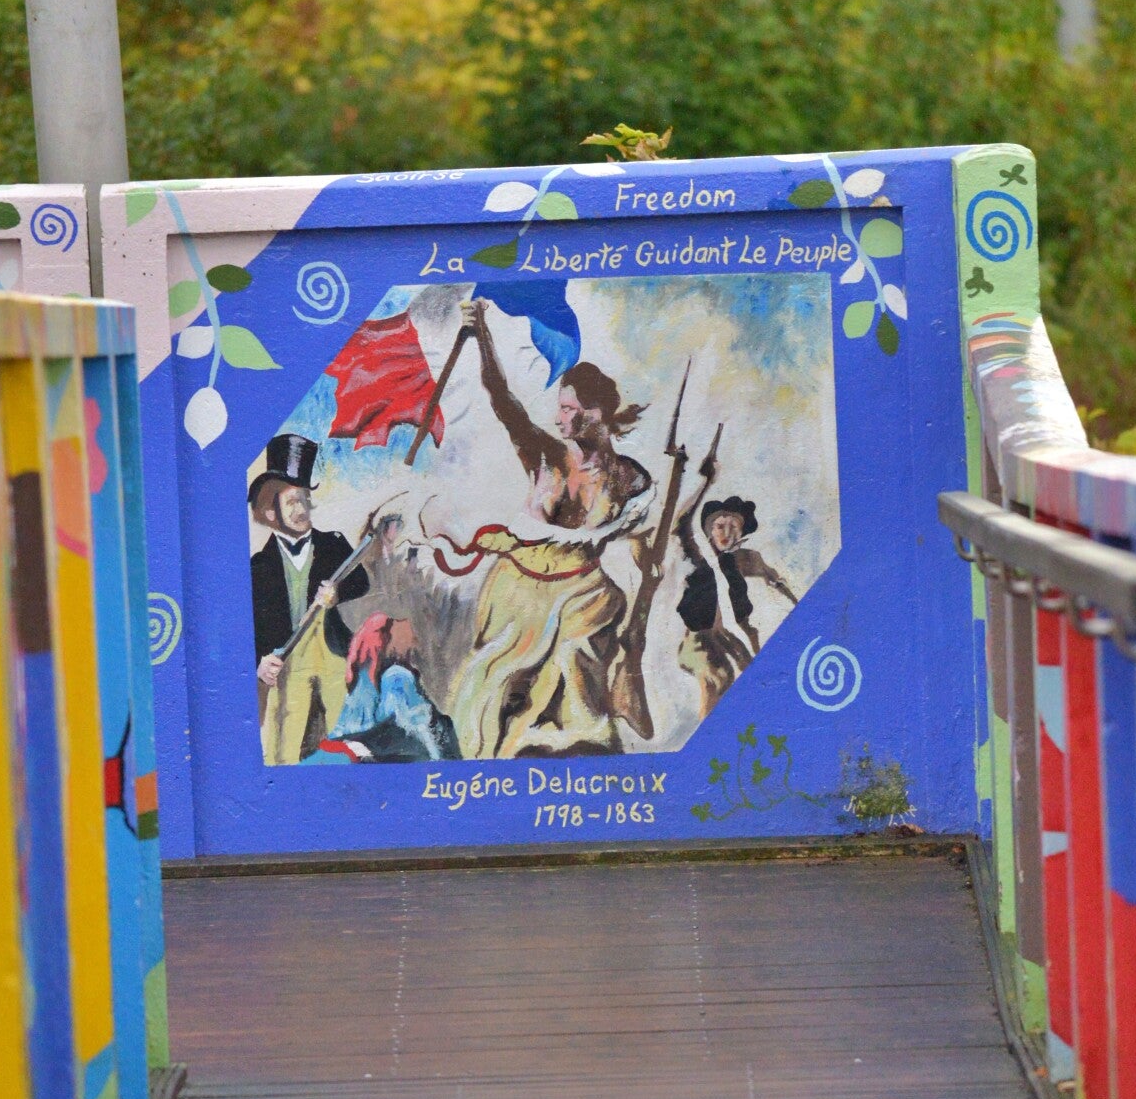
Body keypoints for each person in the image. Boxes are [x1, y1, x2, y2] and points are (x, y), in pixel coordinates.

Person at [442, 300, 656, 760]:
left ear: (598, 412)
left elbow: (642, 546)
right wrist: (482, 336)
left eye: (570, 409)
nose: (561, 419)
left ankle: (582, 752)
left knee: (574, 662)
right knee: (491, 683)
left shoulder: (630, 479)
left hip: (581, 589)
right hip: (519, 587)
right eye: (560, 408)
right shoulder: (543, 454)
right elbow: (501, 398)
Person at [250, 435, 370, 764]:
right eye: (292, 502)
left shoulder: (332, 545)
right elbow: (248, 625)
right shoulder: (257, 567)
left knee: (345, 744)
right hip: (286, 669)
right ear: (270, 510)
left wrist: (336, 593)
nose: (302, 510)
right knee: (282, 754)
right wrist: (260, 661)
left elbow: (361, 581)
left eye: (305, 499)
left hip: (333, 660)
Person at [674, 475, 798, 721]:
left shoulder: (745, 559)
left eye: (734, 527)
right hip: (698, 642)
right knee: (717, 676)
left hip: (731, 636)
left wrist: (795, 602)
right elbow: (680, 523)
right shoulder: (698, 558)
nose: (726, 533)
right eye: (720, 526)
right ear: (709, 531)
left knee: (753, 683)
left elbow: (774, 578)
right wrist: (704, 483)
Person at [303, 615, 461, 766]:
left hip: (382, 756)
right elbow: (415, 725)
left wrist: (353, 745)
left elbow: (410, 725)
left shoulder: (379, 675)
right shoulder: (387, 677)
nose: (414, 641)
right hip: (391, 758)